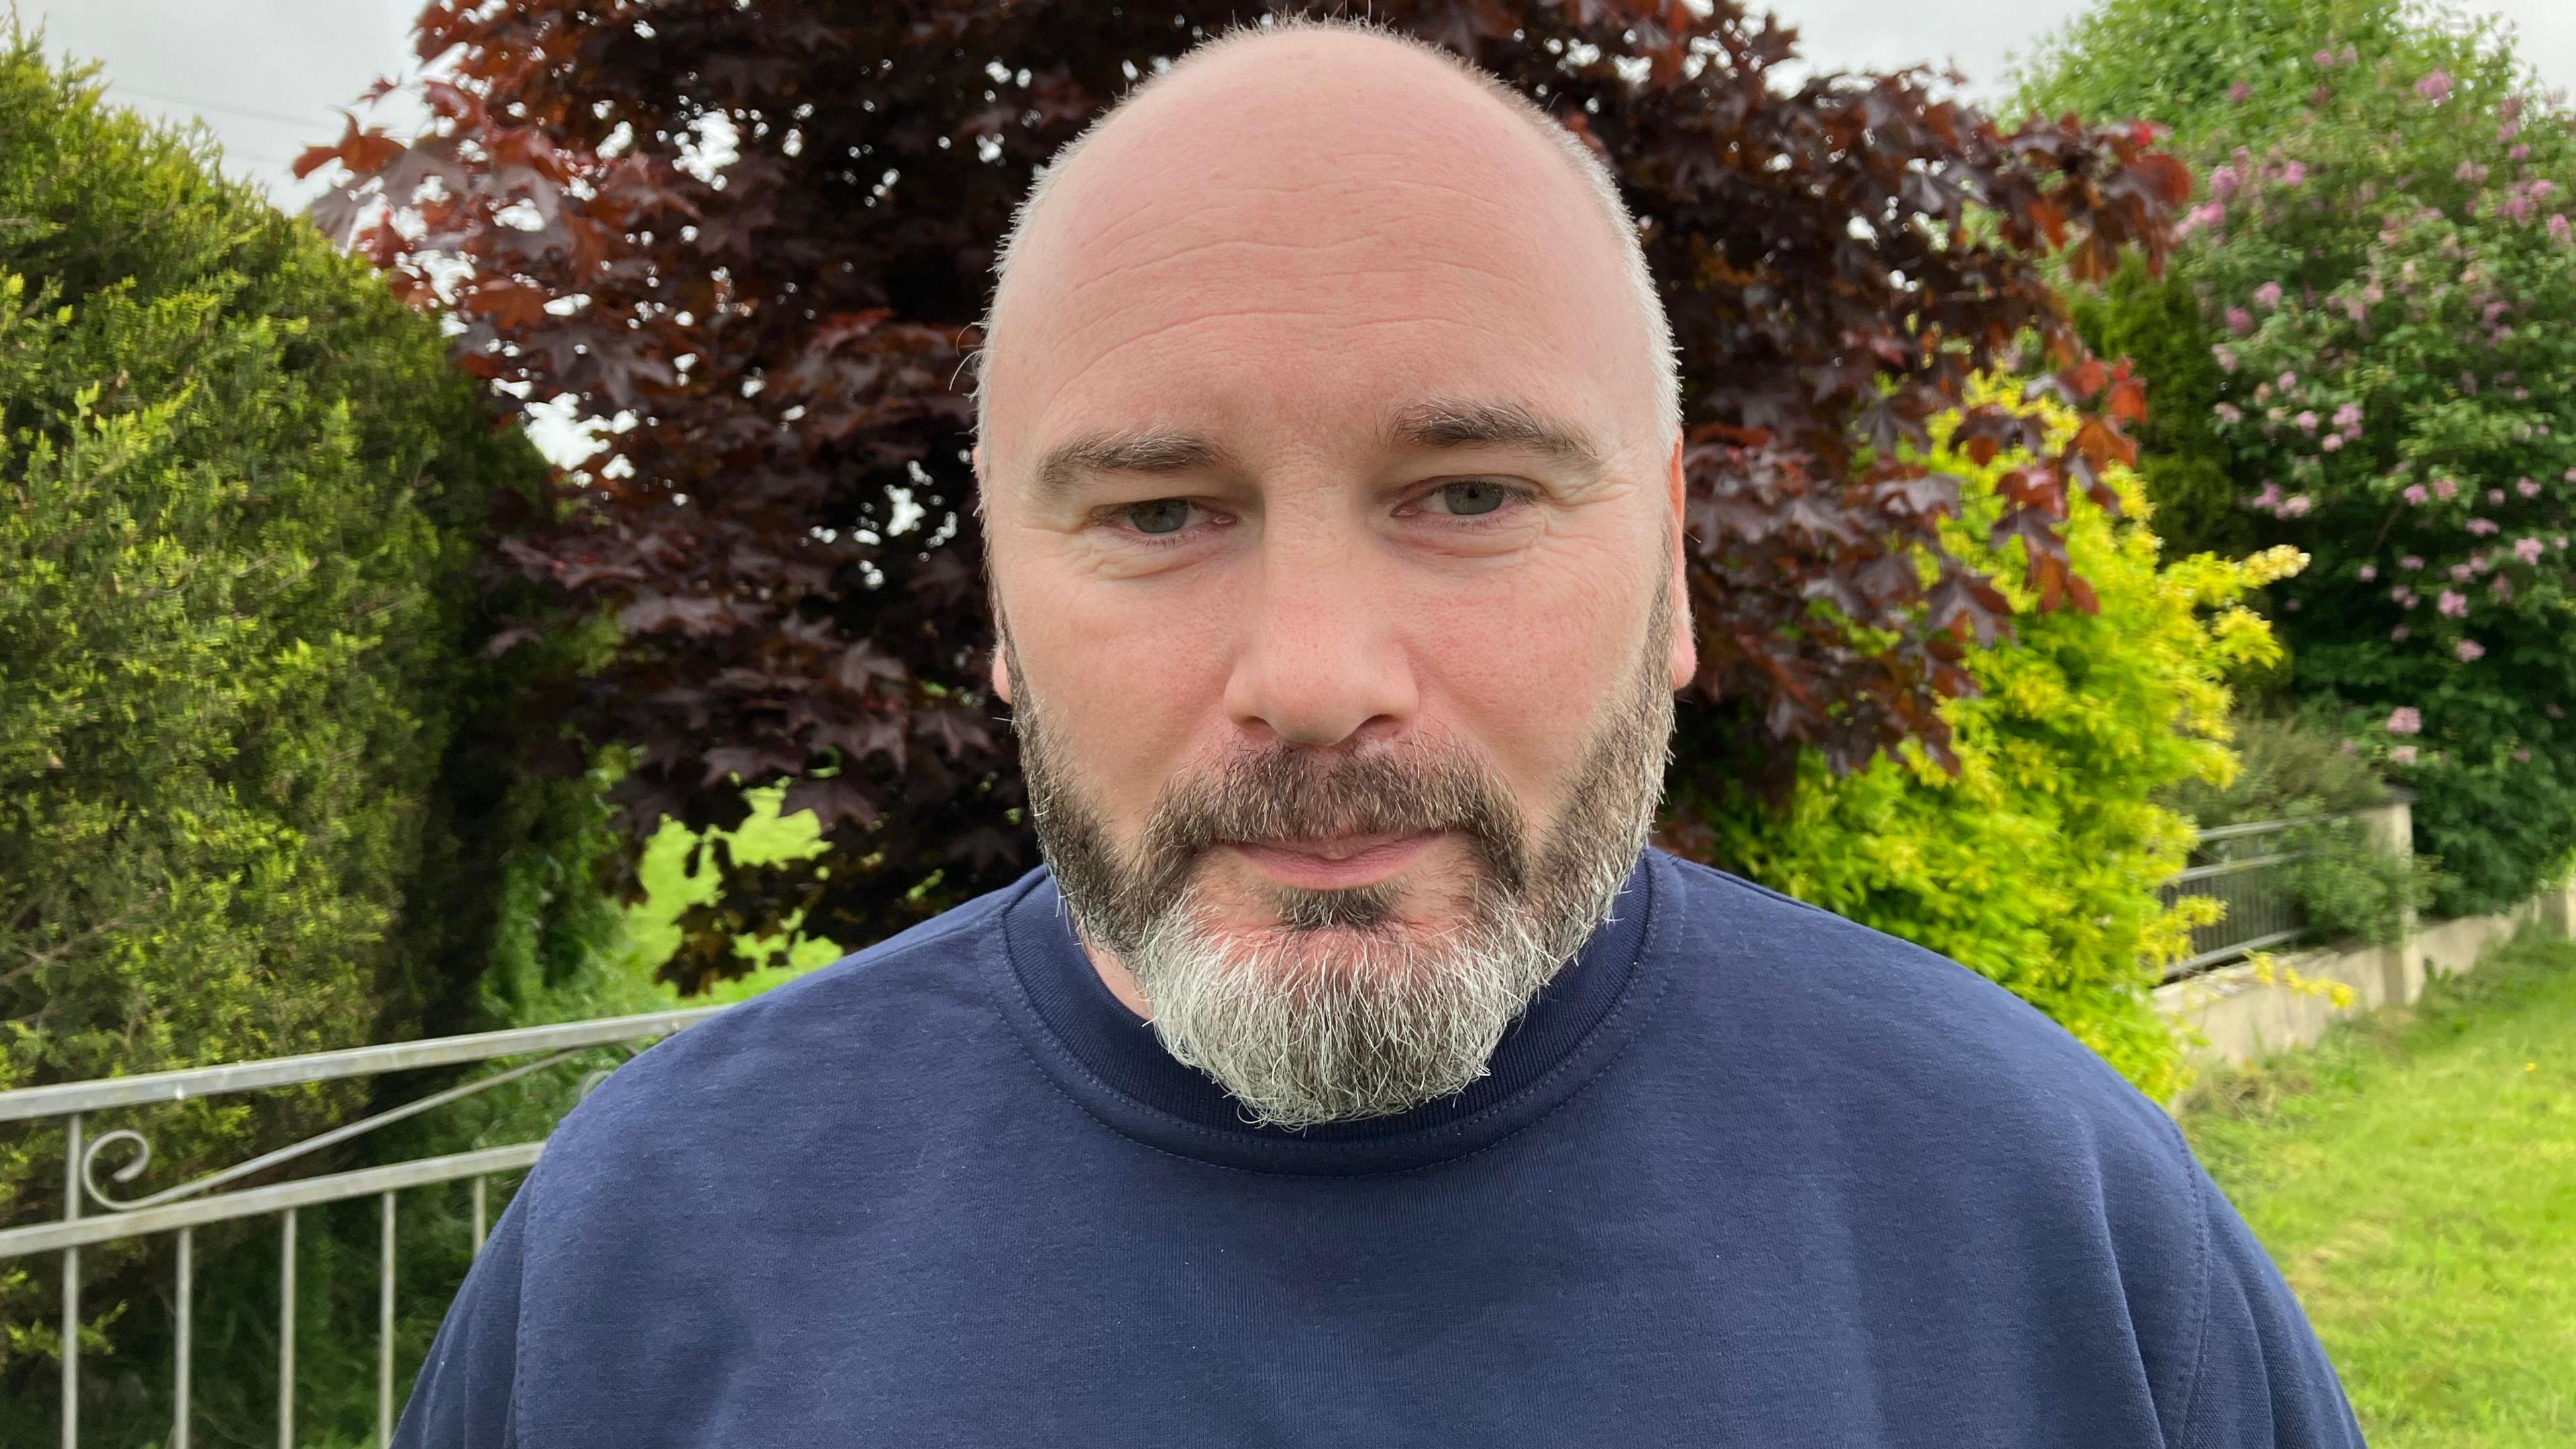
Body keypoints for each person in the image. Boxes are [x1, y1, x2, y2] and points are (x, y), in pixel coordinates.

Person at [396, 19, 2365, 1447]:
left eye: (1473, 492)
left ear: (1673, 564)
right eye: (1162, 514)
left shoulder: (2049, 1224)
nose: (1319, 673)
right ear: (1000, 592)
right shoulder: (652, 1244)